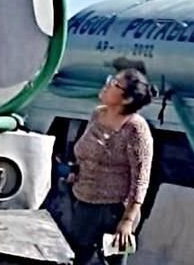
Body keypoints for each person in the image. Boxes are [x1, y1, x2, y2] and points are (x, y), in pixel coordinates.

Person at [68, 69, 156, 264]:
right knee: (76, 258)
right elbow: (85, 152)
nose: (107, 85)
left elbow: (141, 179)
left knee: (111, 261)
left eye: (114, 83)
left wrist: (127, 221)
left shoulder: (136, 129)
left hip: (114, 210)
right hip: (84, 202)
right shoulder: (97, 114)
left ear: (127, 99)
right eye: (110, 79)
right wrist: (76, 170)